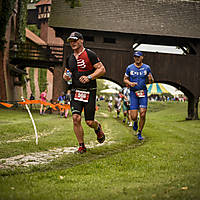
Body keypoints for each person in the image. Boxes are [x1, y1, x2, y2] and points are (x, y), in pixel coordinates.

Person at [63, 31, 106, 154]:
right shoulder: (70, 58)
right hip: (76, 91)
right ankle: (81, 146)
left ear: (81, 41)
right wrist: (66, 76)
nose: (73, 43)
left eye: (75, 40)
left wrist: (90, 77)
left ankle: (98, 128)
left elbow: (102, 69)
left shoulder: (90, 54)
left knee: (89, 122)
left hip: (89, 91)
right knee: (76, 118)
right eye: (71, 41)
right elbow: (66, 73)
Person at [124, 51, 154, 140]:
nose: (137, 58)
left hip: (143, 92)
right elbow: (125, 79)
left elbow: (151, 81)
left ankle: (139, 132)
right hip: (133, 93)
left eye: (138, 57)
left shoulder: (147, 68)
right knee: (133, 116)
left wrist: (151, 79)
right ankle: (135, 122)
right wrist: (130, 83)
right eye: (135, 57)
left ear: (142, 57)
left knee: (143, 113)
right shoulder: (130, 68)